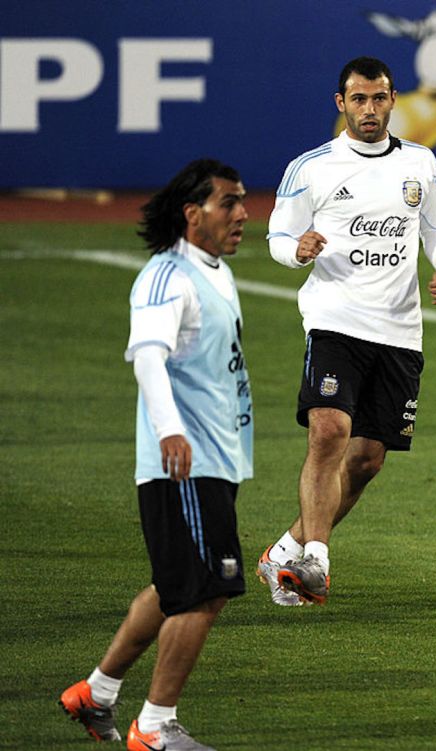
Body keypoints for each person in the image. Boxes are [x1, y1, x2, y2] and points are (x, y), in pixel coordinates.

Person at [58, 159, 252, 749]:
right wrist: (171, 432)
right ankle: (155, 726)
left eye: (242, 200)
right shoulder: (168, 276)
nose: (243, 213)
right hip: (185, 463)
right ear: (193, 215)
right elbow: (147, 356)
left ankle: (97, 692)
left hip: (212, 459)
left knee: (175, 587)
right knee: (205, 592)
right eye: (229, 203)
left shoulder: (211, 270)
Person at [260, 56, 436, 606]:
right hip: (335, 320)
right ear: (340, 104)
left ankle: (284, 552)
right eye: (358, 99)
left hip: (400, 331)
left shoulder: (421, 162)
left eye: (378, 99)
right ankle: (316, 560)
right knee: (328, 432)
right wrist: (295, 251)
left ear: (394, 100)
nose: (369, 110)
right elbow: (278, 236)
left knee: (368, 459)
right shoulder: (312, 168)